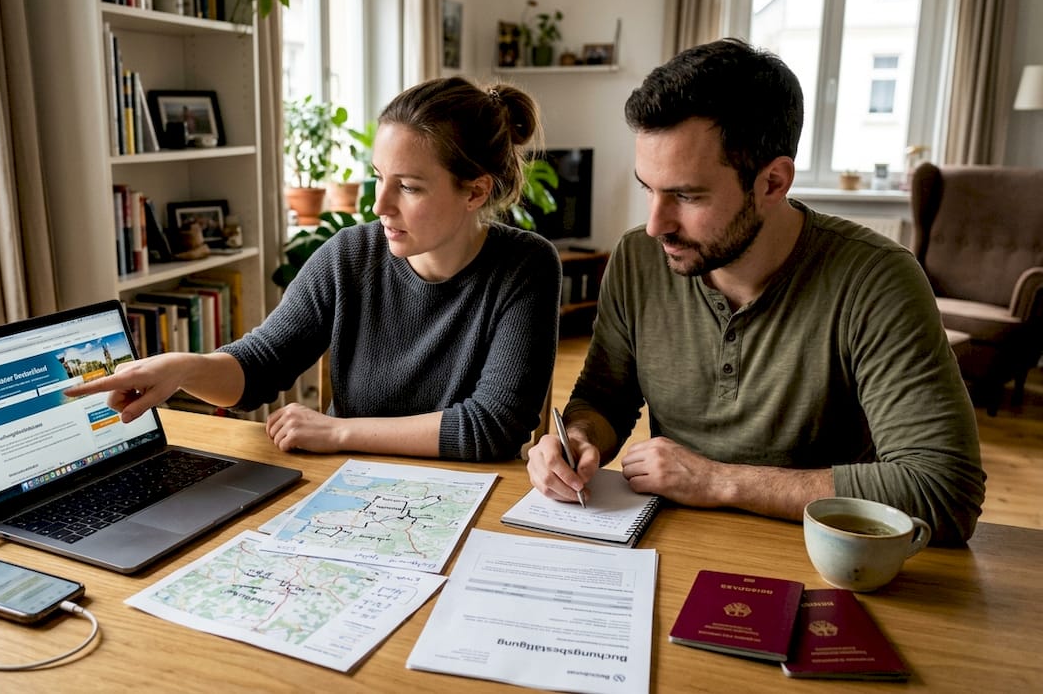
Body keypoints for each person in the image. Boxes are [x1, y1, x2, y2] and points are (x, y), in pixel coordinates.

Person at [526, 38, 985, 544]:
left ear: (772, 182)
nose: (656, 225)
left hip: (820, 557)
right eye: (648, 188)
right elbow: (604, 398)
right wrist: (578, 439)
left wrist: (719, 481)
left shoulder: (877, 280)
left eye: (686, 195)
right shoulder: (639, 260)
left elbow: (943, 490)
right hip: (671, 547)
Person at [67, 77, 561, 462]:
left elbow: (493, 426)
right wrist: (183, 368)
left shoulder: (526, 266)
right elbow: (260, 366)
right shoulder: (349, 255)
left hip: (467, 496)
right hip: (348, 487)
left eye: (408, 187)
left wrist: (339, 430)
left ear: (475, 191)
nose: (379, 205)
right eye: (377, 178)